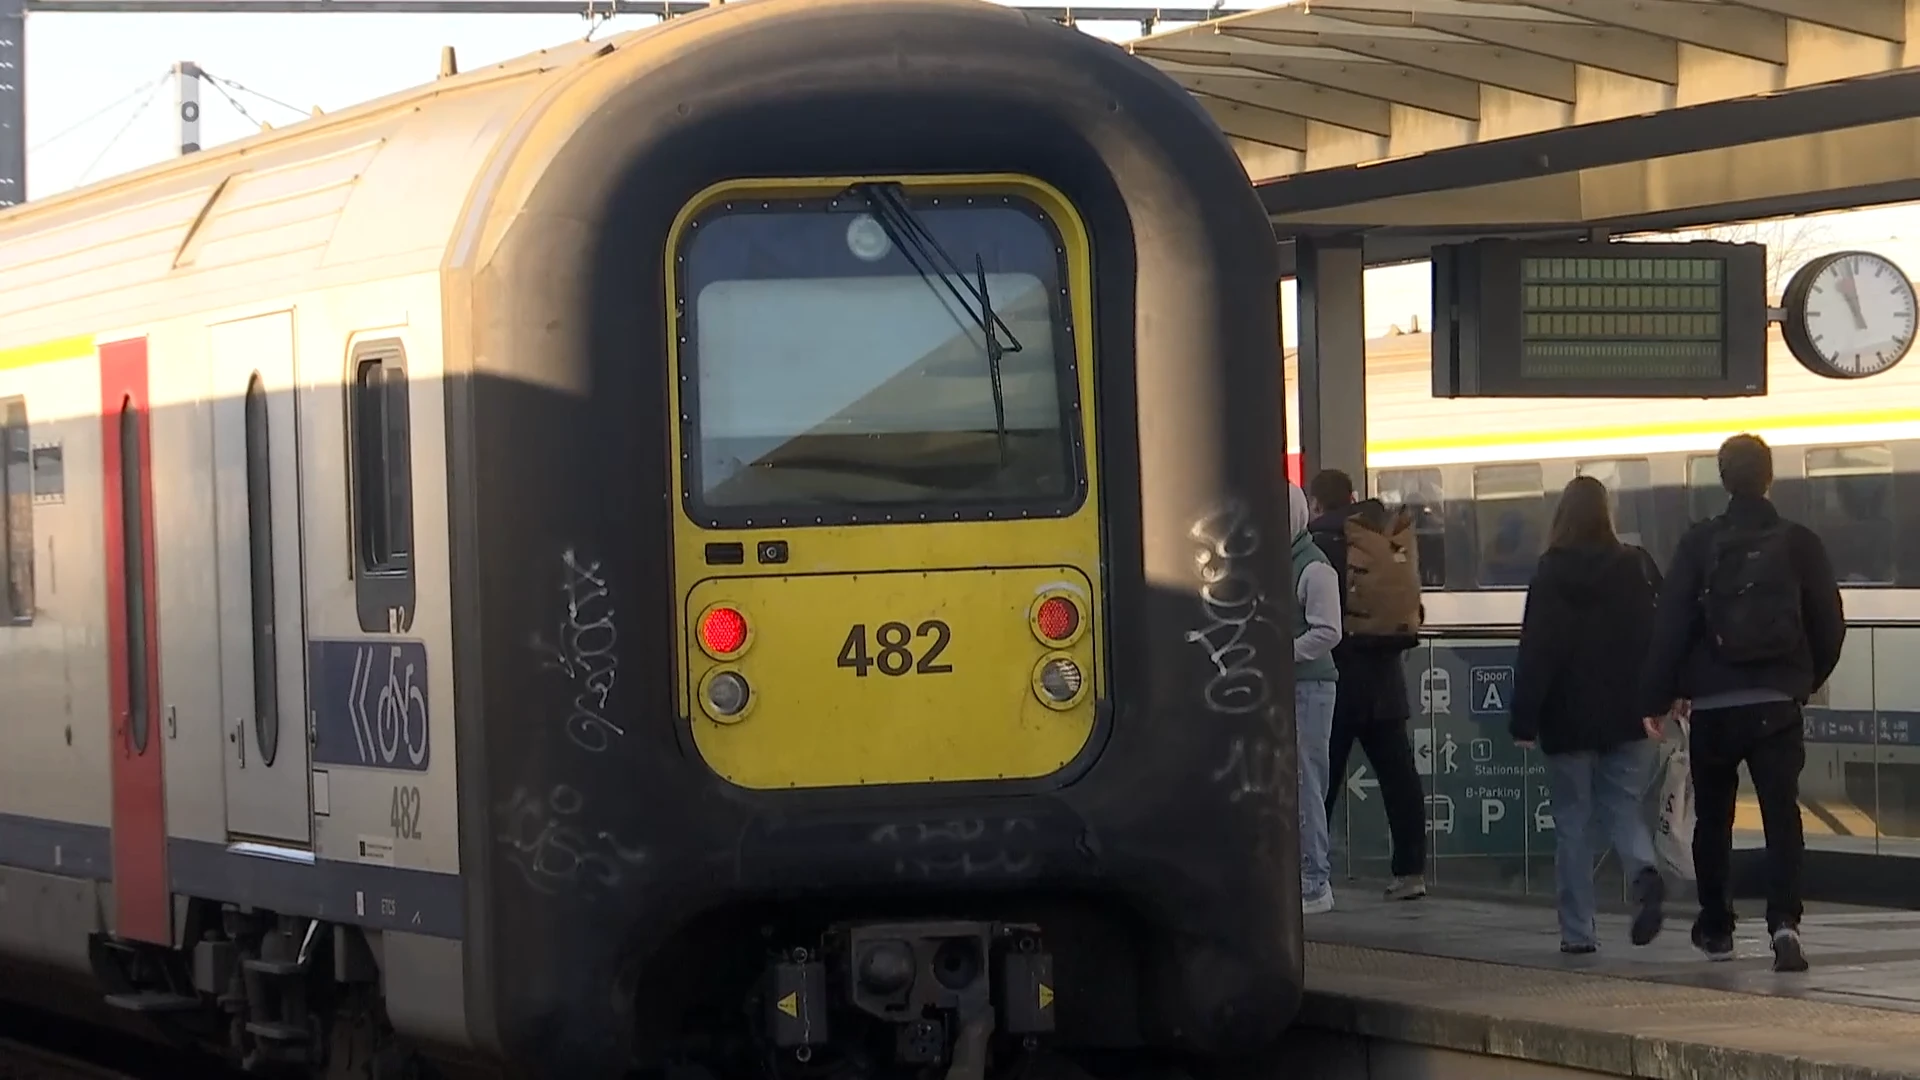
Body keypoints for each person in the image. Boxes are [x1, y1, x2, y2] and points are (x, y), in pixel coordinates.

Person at [1641, 433, 1845, 973]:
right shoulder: (1798, 541)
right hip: (1777, 703)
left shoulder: (1699, 543)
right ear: (1769, 476)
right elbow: (1829, 621)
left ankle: (1717, 926)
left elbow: (1672, 625)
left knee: (1714, 818)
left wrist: (1658, 696)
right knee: (1783, 814)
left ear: (1723, 478)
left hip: (1714, 704)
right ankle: (1784, 925)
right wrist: (1801, 678)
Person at [1510, 475, 1666, 955]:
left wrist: (1524, 720)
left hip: (1568, 715)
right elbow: (1657, 638)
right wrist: (1661, 699)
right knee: (1622, 805)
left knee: (1572, 823)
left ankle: (1579, 933)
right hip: (1629, 712)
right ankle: (1643, 871)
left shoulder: (1550, 572)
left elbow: (1538, 650)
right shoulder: (1636, 567)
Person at [1307, 469, 1428, 902]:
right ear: (1353, 497)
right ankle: (1411, 871)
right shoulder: (1384, 538)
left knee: (1320, 781)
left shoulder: (1317, 544)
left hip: (1336, 680)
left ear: (1317, 504)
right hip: (1385, 680)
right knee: (1399, 778)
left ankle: (1311, 870)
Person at [1289, 481, 1343, 914]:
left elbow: (1329, 630)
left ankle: (1315, 882)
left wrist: (1280, 655)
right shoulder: (1285, 562)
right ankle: (1303, 876)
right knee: (1297, 782)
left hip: (1311, 687)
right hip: (1293, 686)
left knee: (1307, 781)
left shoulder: (1313, 568)